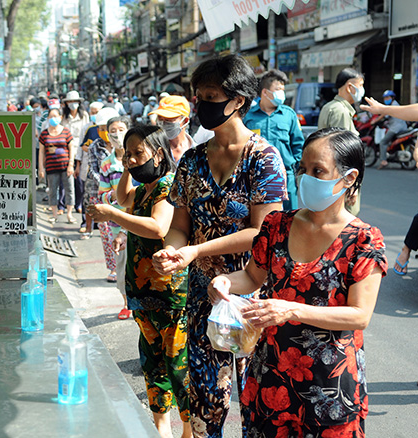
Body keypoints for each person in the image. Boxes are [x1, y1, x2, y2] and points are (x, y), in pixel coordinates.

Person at [207, 128, 386, 437]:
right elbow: (252, 276)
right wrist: (224, 280)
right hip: (270, 379)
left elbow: (360, 315)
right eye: (303, 169)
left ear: (348, 178)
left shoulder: (364, 240)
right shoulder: (278, 225)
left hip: (329, 391)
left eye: (318, 170)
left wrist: (290, 310)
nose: (306, 178)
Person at [151, 54, 287, 438]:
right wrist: (173, 250)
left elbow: (264, 232)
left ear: (238, 100)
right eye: (199, 96)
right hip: (201, 299)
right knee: (205, 402)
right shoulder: (192, 161)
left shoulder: (264, 159)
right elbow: (179, 226)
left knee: (254, 402)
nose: (202, 104)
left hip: (250, 296)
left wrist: (195, 250)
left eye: (211, 95)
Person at [87, 125, 191, 438]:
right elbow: (123, 196)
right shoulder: (146, 188)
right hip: (144, 294)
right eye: (129, 154)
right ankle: (161, 428)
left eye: (138, 154)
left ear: (159, 154)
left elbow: (158, 227)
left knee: (177, 365)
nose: (132, 159)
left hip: (170, 294)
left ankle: (188, 429)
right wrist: (126, 169)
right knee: (152, 362)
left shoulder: (168, 186)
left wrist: (113, 215)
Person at [243, 69, 305, 209]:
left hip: (285, 176)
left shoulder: (289, 115)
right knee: (260, 216)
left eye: (283, 89)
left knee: (289, 216)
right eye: (278, 89)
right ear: (265, 92)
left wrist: (293, 165)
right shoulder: (248, 116)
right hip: (255, 175)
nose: (281, 93)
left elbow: (298, 145)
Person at [92, 115, 131, 319]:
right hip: (118, 223)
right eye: (113, 130)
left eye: (122, 128)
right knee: (122, 266)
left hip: (141, 219)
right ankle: (127, 304)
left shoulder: (139, 156)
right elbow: (102, 195)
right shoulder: (107, 163)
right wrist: (114, 195)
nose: (117, 134)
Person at [318, 68, 365, 216]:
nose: (362, 89)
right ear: (350, 87)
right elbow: (344, 153)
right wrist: (352, 186)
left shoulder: (330, 107)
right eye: (361, 85)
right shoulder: (341, 111)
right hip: (341, 182)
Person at [85, 107, 120, 278]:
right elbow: (93, 170)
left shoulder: (123, 144)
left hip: (122, 197)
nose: (104, 132)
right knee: (106, 233)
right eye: (101, 129)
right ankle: (113, 268)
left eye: (107, 128)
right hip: (100, 194)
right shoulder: (94, 147)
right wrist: (107, 185)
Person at [38, 107, 76, 224]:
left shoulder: (66, 131)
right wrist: (40, 168)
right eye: (51, 117)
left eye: (55, 116)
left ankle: (69, 214)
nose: (53, 119)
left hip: (66, 166)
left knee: (69, 190)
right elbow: (41, 152)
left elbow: (71, 148)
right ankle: (54, 214)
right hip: (51, 167)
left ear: (60, 117)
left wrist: (71, 164)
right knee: (52, 191)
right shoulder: (44, 134)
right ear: (48, 119)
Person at [75, 102, 105, 236]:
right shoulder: (90, 130)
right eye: (92, 112)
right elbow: (82, 146)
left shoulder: (114, 131)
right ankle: (88, 227)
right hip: (93, 174)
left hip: (111, 176)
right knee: (89, 201)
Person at [62, 91, 90, 215]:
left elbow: (86, 133)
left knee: (79, 181)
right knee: (66, 180)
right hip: (66, 150)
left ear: (79, 102)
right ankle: (64, 204)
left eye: (75, 102)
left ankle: (79, 204)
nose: (73, 104)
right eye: (70, 102)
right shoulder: (64, 117)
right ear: (67, 103)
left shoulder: (84, 115)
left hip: (80, 151)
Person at [148, 96, 197, 163]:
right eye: (160, 119)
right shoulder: (152, 151)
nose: (163, 124)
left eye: (168, 120)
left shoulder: (197, 153)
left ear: (185, 121)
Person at [374, 90, 408, 170]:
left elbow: (384, 114)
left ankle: (383, 161)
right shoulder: (395, 104)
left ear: (392, 98)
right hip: (403, 127)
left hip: (396, 128)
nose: (386, 99)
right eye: (385, 98)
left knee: (383, 142)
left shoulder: (392, 106)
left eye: (388, 97)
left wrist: (375, 121)